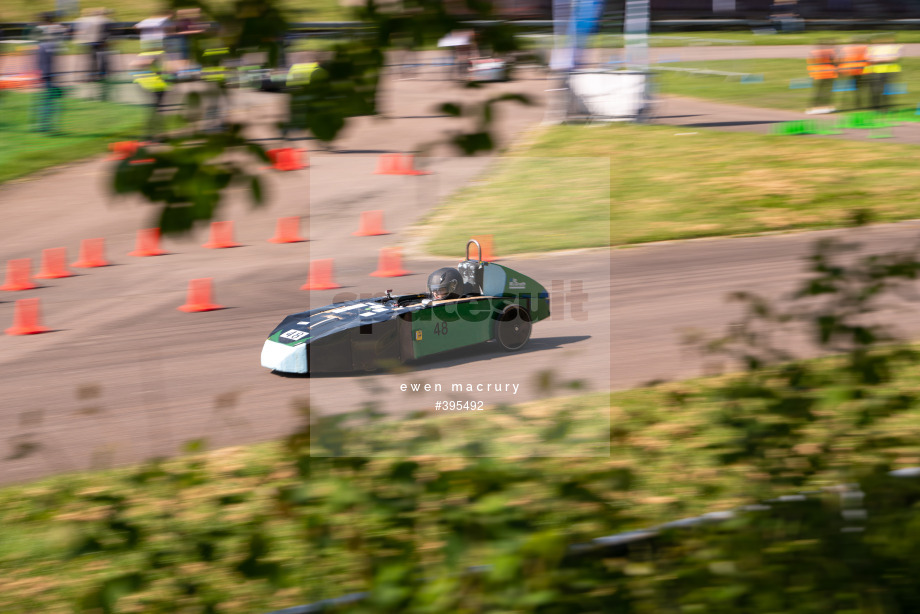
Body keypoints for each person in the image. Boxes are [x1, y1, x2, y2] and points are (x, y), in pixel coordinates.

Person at [33, 12, 67, 133]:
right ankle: (46, 126)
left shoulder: (41, 43)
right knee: (49, 101)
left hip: (46, 73)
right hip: (49, 74)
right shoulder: (50, 43)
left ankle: (45, 125)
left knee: (47, 100)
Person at [865, 34, 902, 111]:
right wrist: (883, 59)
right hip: (876, 70)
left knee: (884, 89)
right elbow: (868, 58)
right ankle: (876, 106)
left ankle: (883, 107)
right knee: (876, 89)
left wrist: (878, 59)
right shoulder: (871, 48)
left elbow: (894, 57)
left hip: (884, 70)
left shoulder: (892, 47)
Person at [806, 40, 837, 115]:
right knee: (827, 92)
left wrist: (812, 74)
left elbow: (810, 63)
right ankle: (825, 107)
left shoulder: (814, 52)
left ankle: (814, 107)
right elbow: (835, 62)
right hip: (829, 73)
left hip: (819, 74)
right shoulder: (830, 51)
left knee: (818, 92)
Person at [836, 37, 868, 110]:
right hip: (861, 69)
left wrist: (839, 68)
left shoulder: (846, 48)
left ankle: (845, 104)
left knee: (848, 87)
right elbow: (868, 57)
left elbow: (839, 59)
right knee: (860, 87)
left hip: (849, 69)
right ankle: (859, 103)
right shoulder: (865, 47)